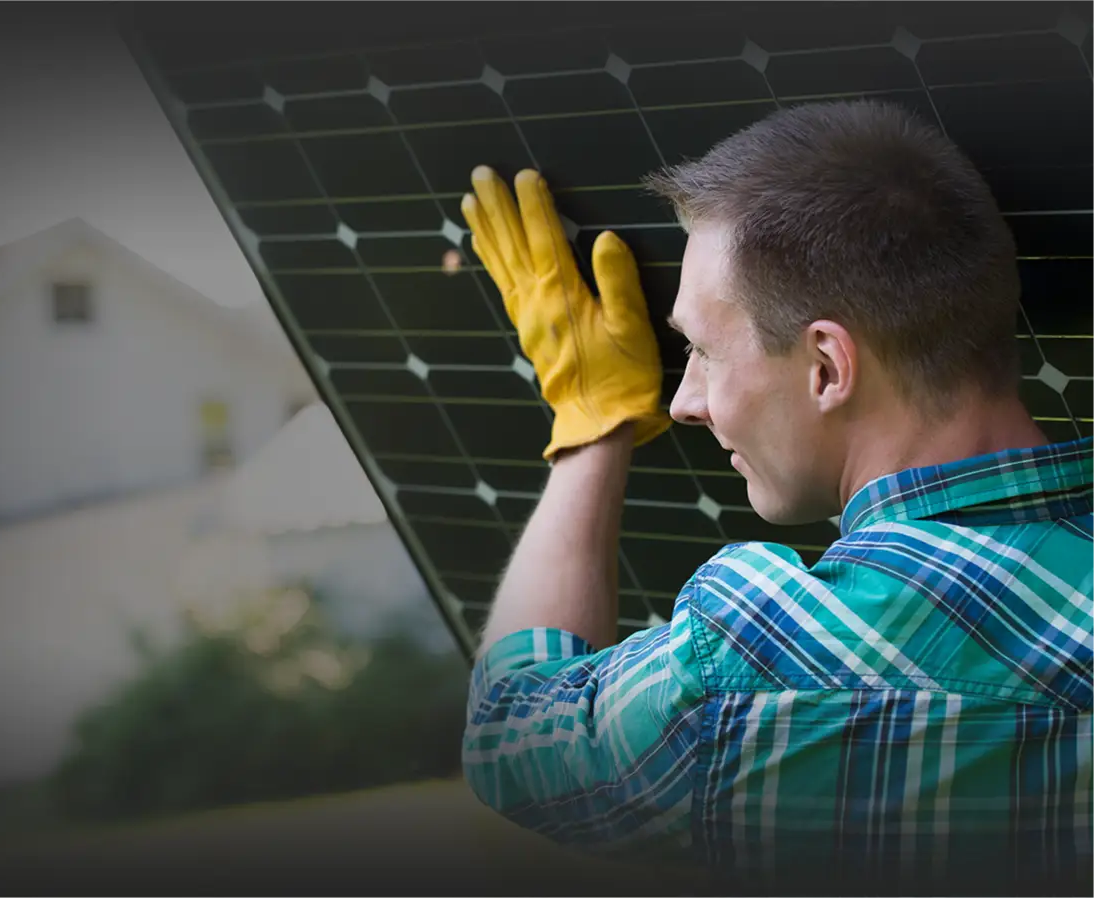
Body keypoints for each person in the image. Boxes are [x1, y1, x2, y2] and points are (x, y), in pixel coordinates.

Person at [457, 98, 1094, 895]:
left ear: (826, 365)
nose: (684, 399)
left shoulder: (762, 659)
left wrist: (593, 426)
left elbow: (512, 736)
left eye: (700, 350)